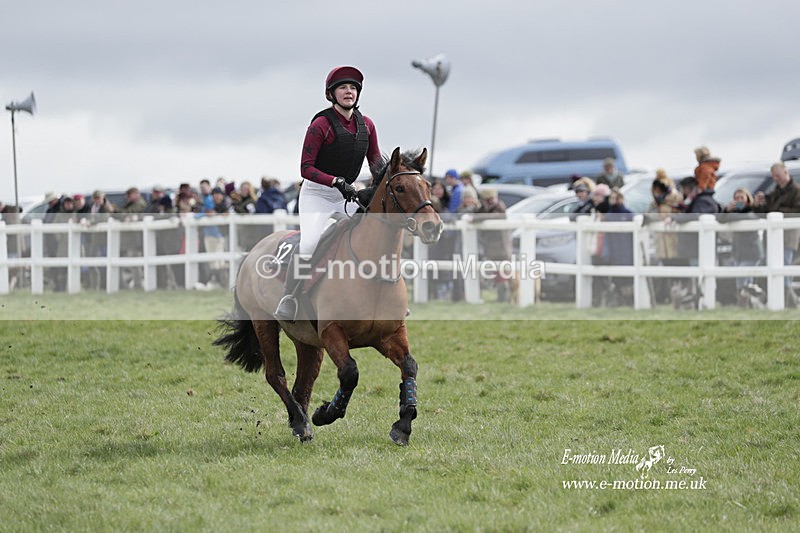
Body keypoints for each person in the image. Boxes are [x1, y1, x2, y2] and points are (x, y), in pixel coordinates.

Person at [275, 65, 381, 321]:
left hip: (345, 197)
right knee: (310, 242)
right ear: (331, 94)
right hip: (316, 195)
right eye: (343, 87)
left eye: (353, 87)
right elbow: (305, 168)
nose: (349, 91)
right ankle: (289, 297)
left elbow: (376, 161)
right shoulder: (321, 124)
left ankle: (381, 296)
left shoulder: (367, 125)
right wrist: (335, 181)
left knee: (374, 235)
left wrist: (375, 188)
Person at [753, 161, 800, 305]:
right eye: (774, 176)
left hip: (788, 237)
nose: (776, 179)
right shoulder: (774, 193)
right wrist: (758, 205)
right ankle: (786, 303)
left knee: (783, 270)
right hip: (772, 237)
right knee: (772, 268)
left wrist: (777, 212)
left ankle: (787, 303)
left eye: (778, 175)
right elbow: (764, 214)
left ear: (786, 173)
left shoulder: (797, 191)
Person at [722, 188, 763, 299]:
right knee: (744, 283)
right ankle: (748, 304)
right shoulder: (732, 212)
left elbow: (748, 217)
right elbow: (720, 219)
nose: (739, 200)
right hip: (738, 253)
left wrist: (729, 215)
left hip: (751, 253)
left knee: (742, 280)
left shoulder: (753, 210)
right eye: (736, 198)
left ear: (747, 199)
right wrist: (726, 210)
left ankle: (746, 302)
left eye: (742, 198)